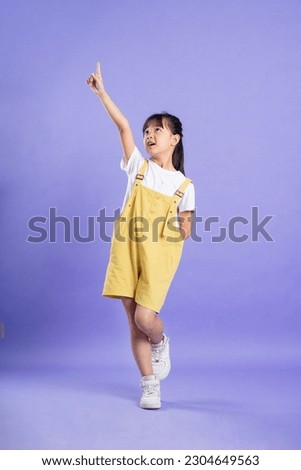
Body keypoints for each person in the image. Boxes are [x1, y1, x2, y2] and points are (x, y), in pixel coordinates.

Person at [86, 62, 195, 410]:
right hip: (128, 249)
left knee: (146, 319)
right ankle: (149, 385)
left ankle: (160, 341)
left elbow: (186, 226)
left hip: (160, 253)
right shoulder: (139, 166)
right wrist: (103, 93)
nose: (149, 135)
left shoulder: (185, 185)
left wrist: (181, 228)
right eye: (147, 130)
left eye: (157, 130)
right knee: (132, 321)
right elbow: (123, 126)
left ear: (174, 139)